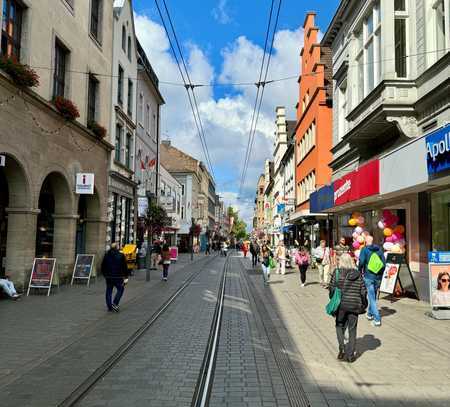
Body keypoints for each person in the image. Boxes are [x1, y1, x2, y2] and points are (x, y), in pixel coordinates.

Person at [329, 253, 367, 363]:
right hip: (354, 305)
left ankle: (342, 349)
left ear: (341, 261)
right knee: (352, 329)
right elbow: (363, 291)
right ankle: (350, 355)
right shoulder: (358, 274)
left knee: (339, 326)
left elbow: (331, 289)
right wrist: (364, 304)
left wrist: (333, 299)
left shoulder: (336, 272)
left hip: (341, 305)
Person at [358, 235, 385, 327]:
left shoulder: (364, 250)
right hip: (378, 277)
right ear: (373, 241)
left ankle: (377, 318)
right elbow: (383, 264)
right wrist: (380, 275)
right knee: (372, 296)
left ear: (365, 241)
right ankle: (369, 314)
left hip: (368, 276)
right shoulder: (379, 250)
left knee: (372, 298)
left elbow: (361, 262)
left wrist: (359, 271)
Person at [101, 243, 129, 312]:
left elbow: (102, 266)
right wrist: (126, 276)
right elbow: (124, 267)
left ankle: (109, 307)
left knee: (109, 291)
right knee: (121, 289)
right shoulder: (121, 255)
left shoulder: (106, 255)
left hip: (109, 277)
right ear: (117, 247)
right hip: (118, 276)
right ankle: (115, 303)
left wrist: (105, 275)